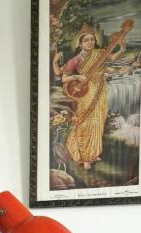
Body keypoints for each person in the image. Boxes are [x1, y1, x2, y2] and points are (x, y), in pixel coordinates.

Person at [52, 25, 124, 169]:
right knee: (86, 123)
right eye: (86, 40)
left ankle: (92, 152)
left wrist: (122, 49)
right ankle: (85, 158)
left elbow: (111, 59)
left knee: (98, 121)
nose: (90, 42)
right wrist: (77, 76)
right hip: (85, 93)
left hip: (100, 90)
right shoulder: (76, 60)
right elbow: (63, 78)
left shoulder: (100, 53)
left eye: (92, 39)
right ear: (80, 44)